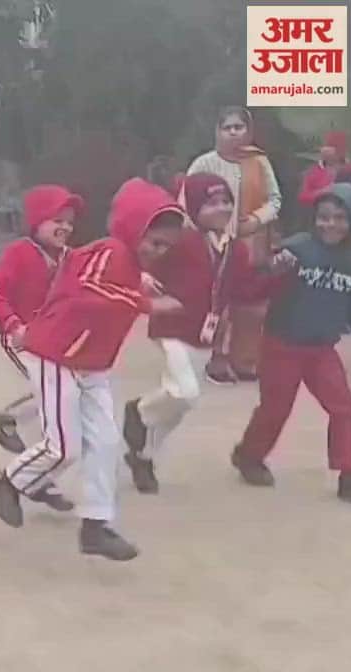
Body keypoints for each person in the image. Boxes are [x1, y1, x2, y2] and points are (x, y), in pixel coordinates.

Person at [0, 178, 186, 561]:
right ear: (133, 229)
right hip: (57, 356)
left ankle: (95, 525)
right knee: (63, 448)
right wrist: (142, 302)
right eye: (154, 242)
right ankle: (6, 481)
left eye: (165, 247)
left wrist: (140, 285)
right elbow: (87, 288)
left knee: (107, 443)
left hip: (93, 364)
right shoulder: (110, 250)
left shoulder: (123, 260)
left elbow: (98, 277)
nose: (159, 252)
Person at [123, 173, 279, 493]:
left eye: (226, 202)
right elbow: (143, 254)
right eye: (211, 203)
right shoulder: (180, 240)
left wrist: (276, 273)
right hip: (171, 328)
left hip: (205, 335)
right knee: (185, 392)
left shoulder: (236, 250)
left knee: (179, 407)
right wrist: (141, 277)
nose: (221, 208)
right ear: (193, 208)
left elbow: (245, 290)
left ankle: (143, 457)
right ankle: (138, 411)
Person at [231, 183, 351, 504]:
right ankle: (249, 455)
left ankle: (350, 474)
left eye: (340, 218)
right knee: (275, 409)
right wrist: (271, 270)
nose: (330, 225)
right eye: (323, 217)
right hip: (282, 346)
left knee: (344, 407)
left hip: (321, 350)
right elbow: (254, 288)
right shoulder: (296, 249)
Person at [0, 184, 86, 521]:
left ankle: (18, 439)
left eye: (70, 222)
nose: (66, 228)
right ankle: (31, 474)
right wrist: (13, 325)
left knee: (63, 402)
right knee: (54, 397)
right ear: (37, 221)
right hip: (21, 339)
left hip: (54, 343)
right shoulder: (20, 252)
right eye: (58, 219)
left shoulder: (69, 257)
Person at [183, 106, 282, 384]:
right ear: (217, 131)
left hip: (250, 240)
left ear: (249, 131)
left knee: (251, 303)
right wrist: (198, 235)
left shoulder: (258, 162)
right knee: (219, 302)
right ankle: (217, 358)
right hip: (212, 243)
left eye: (239, 127)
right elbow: (185, 201)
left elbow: (275, 200)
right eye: (228, 127)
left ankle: (245, 360)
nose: (234, 132)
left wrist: (255, 220)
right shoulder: (204, 164)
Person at [298, 130, 347, 208]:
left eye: (333, 147)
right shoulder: (312, 172)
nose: (326, 150)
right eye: (327, 147)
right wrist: (324, 191)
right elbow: (303, 197)